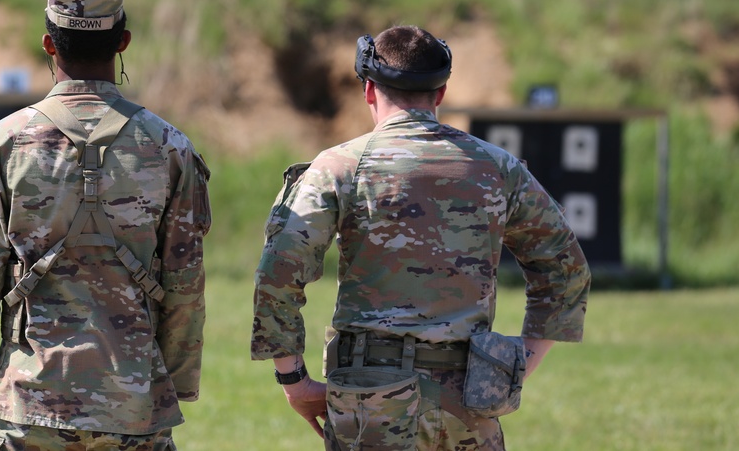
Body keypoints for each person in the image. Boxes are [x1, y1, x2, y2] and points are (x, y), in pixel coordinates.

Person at [251, 25, 590, 450]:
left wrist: (294, 382)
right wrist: (515, 365)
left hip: (368, 401)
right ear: (441, 93)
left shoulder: (339, 167)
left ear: (369, 91)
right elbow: (566, 271)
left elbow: (277, 273)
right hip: (470, 400)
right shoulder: (498, 167)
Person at [0, 0, 212, 451]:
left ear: (49, 43)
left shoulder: (1, 146)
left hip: (26, 406)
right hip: (134, 405)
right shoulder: (170, 147)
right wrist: (169, 387)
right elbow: (185, 284)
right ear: (123, 41)